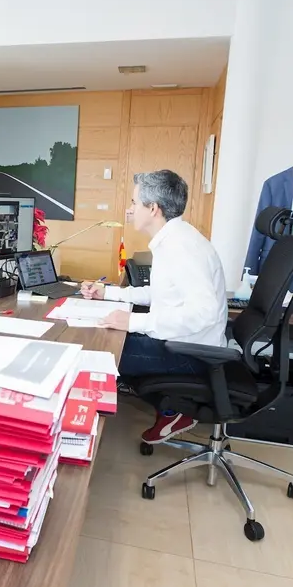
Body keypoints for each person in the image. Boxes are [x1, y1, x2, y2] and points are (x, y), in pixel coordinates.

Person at [80, 170, 227, 444]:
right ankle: (172, 409)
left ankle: (79, 437)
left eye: (135, 203)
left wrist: (134, 322)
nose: (130, 209)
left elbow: (203, 313)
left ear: (153, 208)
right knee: (111, 338)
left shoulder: (181, 247)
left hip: (191, 353)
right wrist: (109, 293)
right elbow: (159, 293)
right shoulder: (174, 238)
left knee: (101, 350)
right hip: (183, 342)